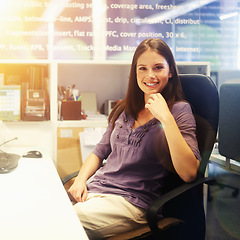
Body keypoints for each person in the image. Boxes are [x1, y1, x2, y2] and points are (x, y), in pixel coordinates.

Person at [68, 38, 201, 239]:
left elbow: (189, 173)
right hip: (97, 189)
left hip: (131, 202)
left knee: (63, 222)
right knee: (45, 208)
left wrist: (165, 116)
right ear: (135, 72)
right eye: (142, 69)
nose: (150, 75)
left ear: (170, 71)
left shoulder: (180, 110)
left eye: (158, 68)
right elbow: (99, 152)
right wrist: (80, 180)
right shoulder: (124, 109)